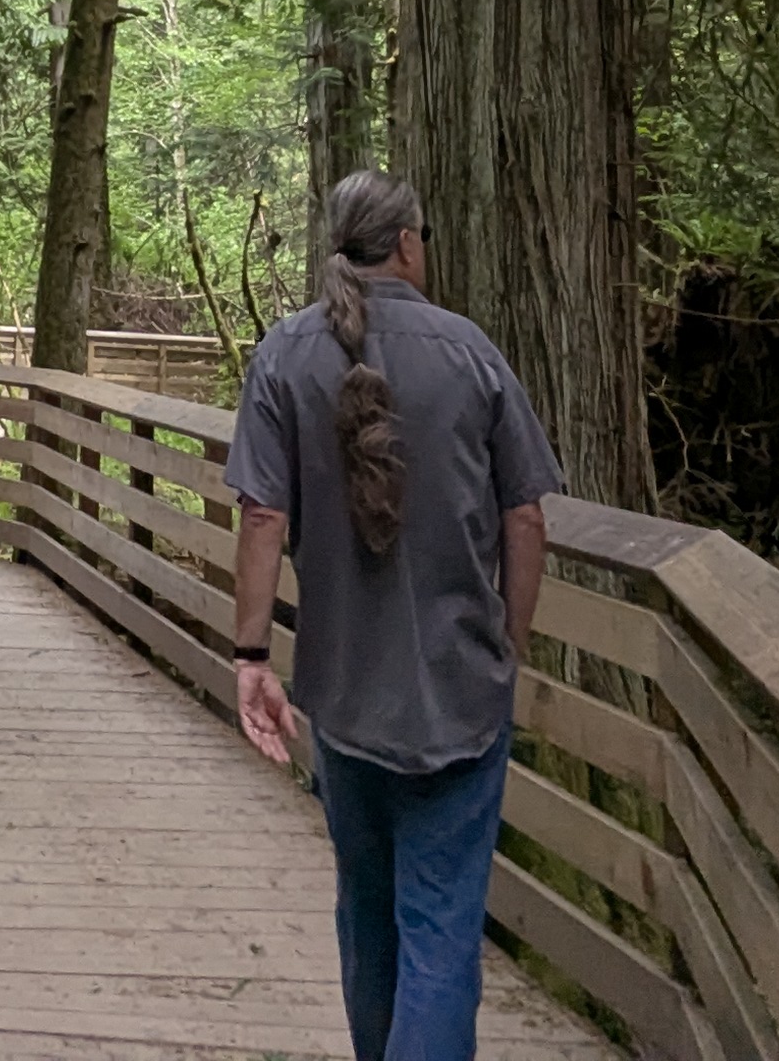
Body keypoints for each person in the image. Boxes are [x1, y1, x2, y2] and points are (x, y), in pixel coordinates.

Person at [226, 169, 560, 1061]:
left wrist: (251, 655)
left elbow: (263, 515)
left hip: (341, 696)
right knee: (442, 935)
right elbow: (526, 516)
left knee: (368, 917)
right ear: (408, 242)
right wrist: (509, 645)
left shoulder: (286, 354)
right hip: (460, 693)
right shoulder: (471, 352)